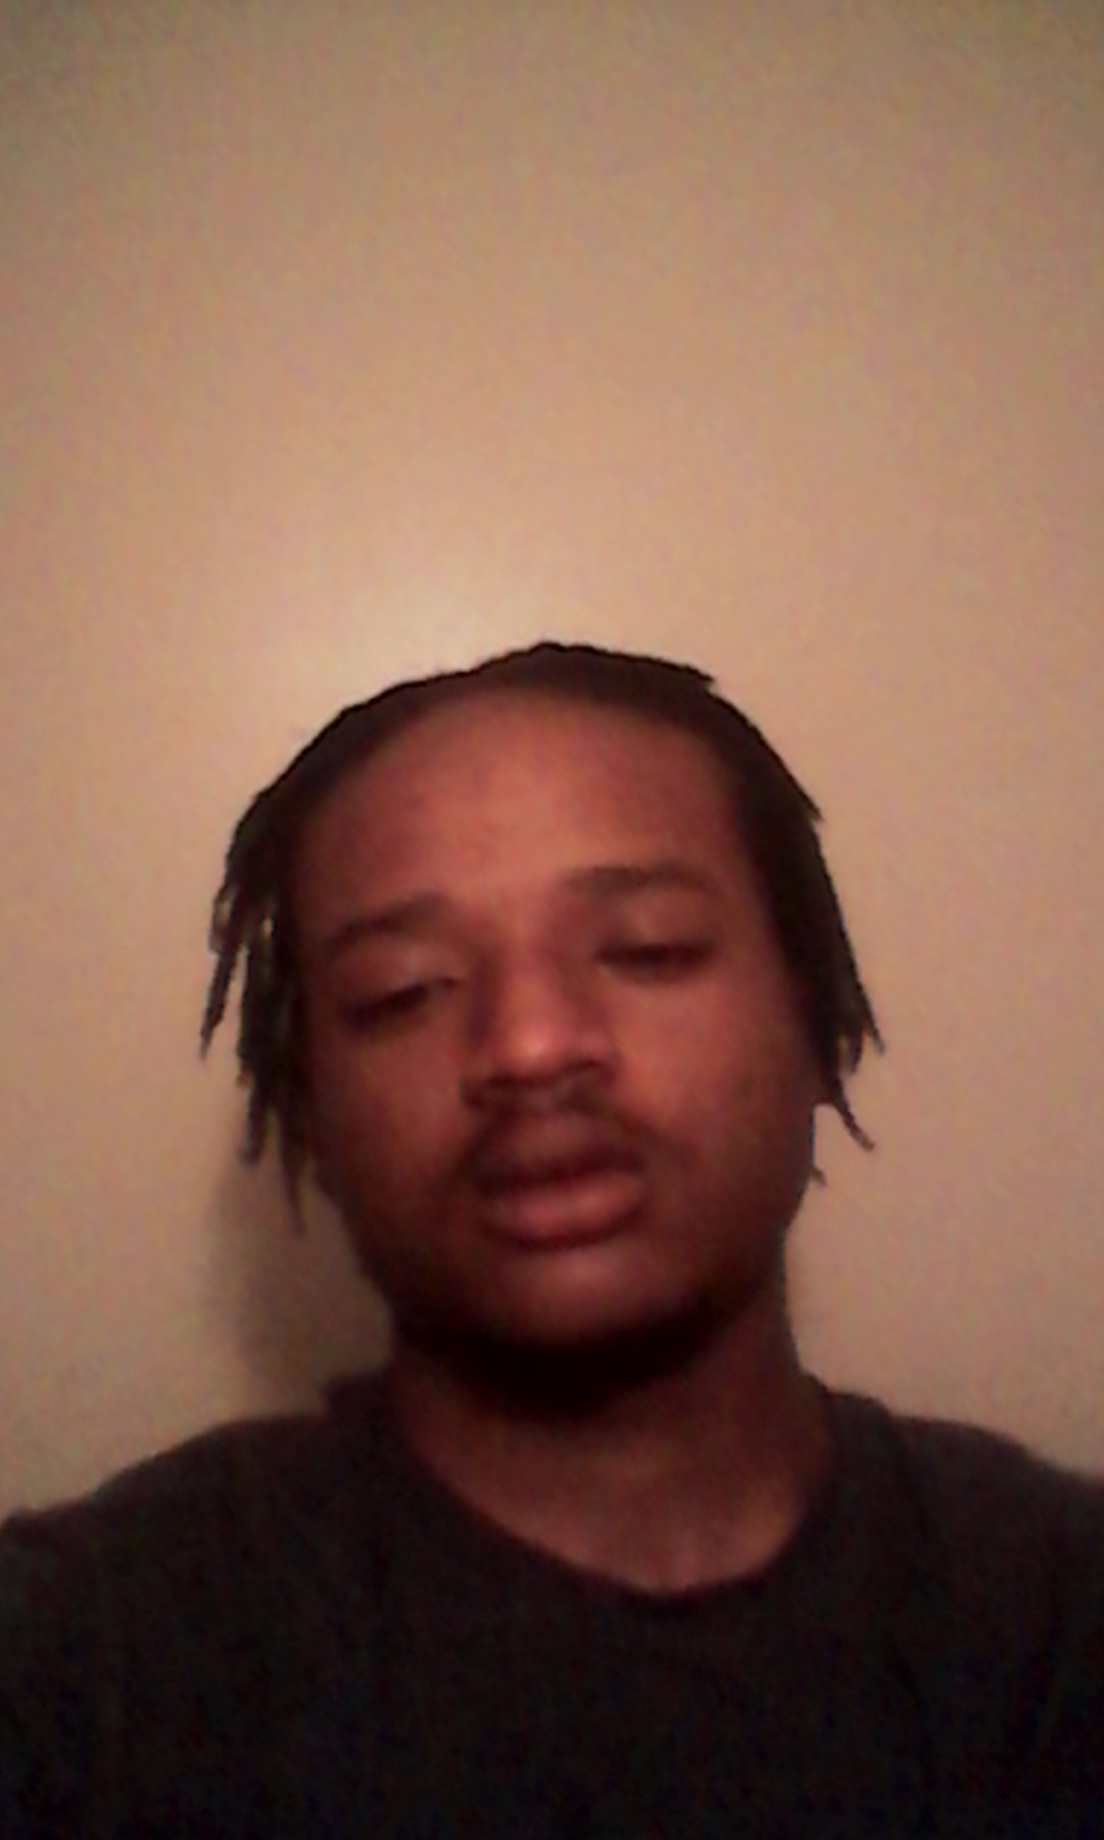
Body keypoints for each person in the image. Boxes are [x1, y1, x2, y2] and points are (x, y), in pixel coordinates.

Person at [1, 640, 1101, 1838]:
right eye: (402, 991)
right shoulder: (94, 1655)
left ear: (818, 1015)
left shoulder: (1053, 1609)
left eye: (649, 949)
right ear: (310, 1109)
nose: (528, 1045)